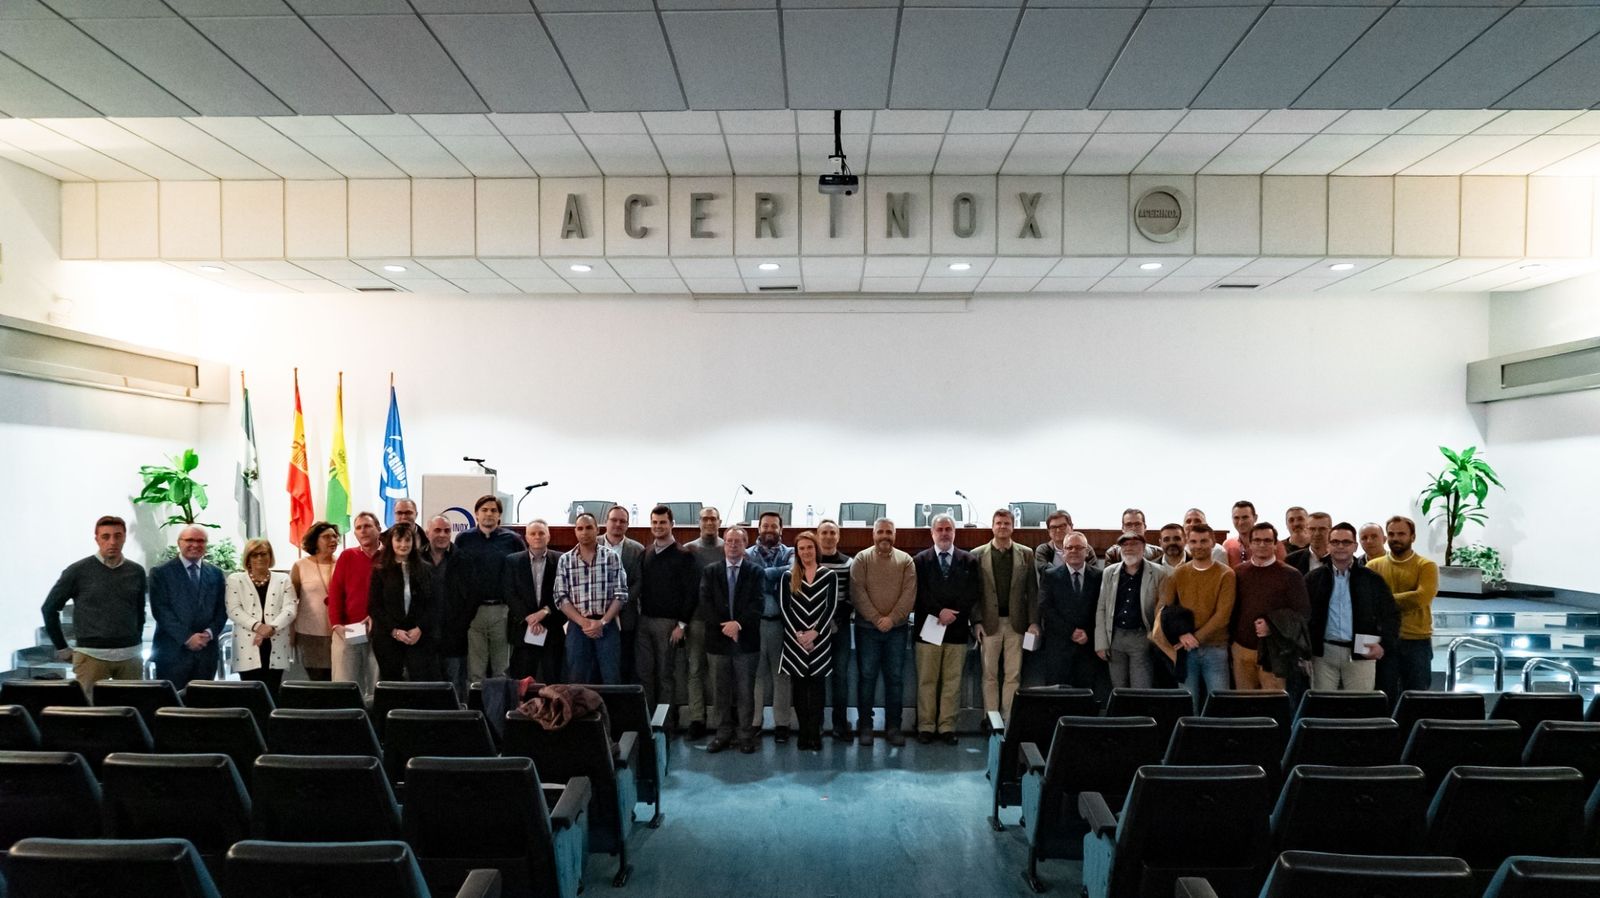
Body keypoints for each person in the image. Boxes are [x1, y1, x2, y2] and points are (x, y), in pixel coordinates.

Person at [42, 515, 147, 697]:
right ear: (96, 539)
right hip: (91, 656)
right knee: (91, 714)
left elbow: (139, 610)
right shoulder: (77, 571)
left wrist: (135, 637)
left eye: (117, 535)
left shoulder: (136, 571)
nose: (112, 542)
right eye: (106, 536)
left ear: (124, 537)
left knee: (133, 709)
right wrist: (62, 647)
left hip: (130, 655)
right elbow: (49, 608)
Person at [1307, 522, 1400, 692]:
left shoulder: (1371, 579)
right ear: (1328, 545)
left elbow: (1390, 615)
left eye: (1346, 542)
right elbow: (1304, 616)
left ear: (1355, 546)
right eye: (1335, 542)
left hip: (1361, 651)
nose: (1340, 546)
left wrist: (1384, 644)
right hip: (1323, 654)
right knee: (1322, 708)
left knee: (1360, 708)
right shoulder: (1313, 579)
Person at [912, 513, 979, 744]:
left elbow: (972, 593)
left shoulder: (969, 560)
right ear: (932, 533)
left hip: (957, 629)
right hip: (928, 628)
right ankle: (926, 726)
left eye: (948, 529)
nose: (944, 533)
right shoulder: (920, 560)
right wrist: (939, 611)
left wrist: (953, 613)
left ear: (954, 532)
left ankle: (947, 727)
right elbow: (918, 593)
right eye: (939, 529)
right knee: (927, 681)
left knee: (952, 681)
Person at [850, 517, 916, 747]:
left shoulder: (906, 560)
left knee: (895, 679)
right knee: (866, 677)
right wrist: (877, 619)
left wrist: (892, 619)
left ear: (894, 535)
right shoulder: (861, 559)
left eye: (889, 532)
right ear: (873, 535)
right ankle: (865, 725)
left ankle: (893, 727)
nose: (885, 536)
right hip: (867, 630)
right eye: (881, 532)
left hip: (896, 631)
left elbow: (909, 594)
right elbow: (857, 592)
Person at [972, 508, 1040, 723]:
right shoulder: (977, 554)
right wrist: (976, 621)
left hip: (1016, 624)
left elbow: (1033, 591)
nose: (1002, 527)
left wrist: (1033, 622)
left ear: (1013, 527)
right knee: (989, 675)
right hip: (989, 624)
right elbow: (973, 593)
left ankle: (1008, 720)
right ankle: (991, 719)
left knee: (1013, 675)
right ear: (992, 526)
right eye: (999, 523)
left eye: (1006, 523)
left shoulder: (1026, 553)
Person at [636, 505, 699, 733]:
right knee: (645, 675)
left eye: (662, 522)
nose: (658, 526)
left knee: (665, 676)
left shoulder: (684, 556)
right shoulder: (646, 552)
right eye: (654, 522)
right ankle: (647, 724)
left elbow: (692, 593)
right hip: (644, 622)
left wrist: (681, 625)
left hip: (669, 624)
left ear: (672, 524)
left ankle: (665, 725)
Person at [700, 526, 763, 754]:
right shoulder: (711, 571)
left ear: (746, 544)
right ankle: (723, 733)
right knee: (721, 691)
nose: (733, 545)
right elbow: (706, 603)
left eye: (738, 541)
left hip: (746, 641)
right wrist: (726, 626)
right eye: (729, 541)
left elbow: (758, 604)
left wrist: (738, 624)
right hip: (718, 641)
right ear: (723, 544)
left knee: (746, 692)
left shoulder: (756, 572)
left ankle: (746, 735)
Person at [1159, 523, 1235, 709]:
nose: (1198, 546)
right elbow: (1165, 608)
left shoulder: (1226, 574)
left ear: (1213, 542)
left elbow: (1223, 615)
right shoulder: (1178, 574)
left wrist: (1195, 638)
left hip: (1216, 649)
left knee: (1219, 706)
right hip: (1185, 651)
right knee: (1187, 705)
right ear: (1187, 543)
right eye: (1193, 541)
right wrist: (1181, 635)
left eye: (1203, 541)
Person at [452, 494, 525, 686]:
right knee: (475, 671)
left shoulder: (513, 539)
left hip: (502, 612)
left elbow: (522, 575)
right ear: (476, 514)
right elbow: (456, 575)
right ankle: (476, 713)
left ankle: (501, 713)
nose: (489, 514)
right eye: (484, 510)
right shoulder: (463, 539)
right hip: (473, 612)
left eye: (493, 510)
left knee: (502, 670)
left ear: (500, 515)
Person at [1230, 522, 1310, 691]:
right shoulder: (1237, 573)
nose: (1262, 545)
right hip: (1242, 650)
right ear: (1250, 544)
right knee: (1245, 706)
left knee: (1274, 705)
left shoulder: (1291, 575)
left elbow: (1303, 614)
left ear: (1275, 544)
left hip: (1275, 652)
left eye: (1267, 540)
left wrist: (1272, 625)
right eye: (1257, 540)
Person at [148, 526, 226, 690]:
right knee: (173, 709)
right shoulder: (160, 573)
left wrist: (208, 634)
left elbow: (222, 610)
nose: (195, 545)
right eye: (189, 540)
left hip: (206, 653)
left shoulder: (216, 573)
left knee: (203, 706)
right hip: (172, 653)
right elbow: (161, 611)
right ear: (179, 543)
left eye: (200, 541)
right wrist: (187, 638)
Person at [1368, 515, 1440, 695]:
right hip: (1383, 642)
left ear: (1412, 537)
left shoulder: (1426, 566)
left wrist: (1383, 601)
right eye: (1391, 534)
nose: (1396, 538)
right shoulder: (1372, 566)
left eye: (1401, 534)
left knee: (1417, 698)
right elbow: (1366, 601)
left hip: (1417, 642)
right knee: (1383, 696)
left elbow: (1422, 597)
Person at [555, 512, 629, 684]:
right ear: (575, 531)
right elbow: (560, 597)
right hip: (577, 626)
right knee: (577, 678)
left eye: (589, 528)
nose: (584, 532)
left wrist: (602, 622)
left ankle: (610, 711)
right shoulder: (565, 560)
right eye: (580, 528)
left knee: (611, 678)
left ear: (597, 530)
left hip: (607, 626)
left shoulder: (611, 557)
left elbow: (621, 593)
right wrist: (583, 622)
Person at [783, 531, 838, 751]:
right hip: (795, 643)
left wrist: (814, 633)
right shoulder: (788, 576)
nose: (806, 552)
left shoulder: (829, 575)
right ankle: (803, 732)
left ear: (816, 549)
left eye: (809, 547)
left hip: (820, 641)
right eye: (802, 548)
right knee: (799, 690)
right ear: (797, 552)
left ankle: (815, 733)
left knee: (816, 690)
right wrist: (799, 635)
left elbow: (830, 607)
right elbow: (785, 608)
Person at [1095, 531, 1169, 689]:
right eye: (1124, 545)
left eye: (1134, 544)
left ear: (1143, 548)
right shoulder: (1109, 572)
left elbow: (1162, 609)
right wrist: (1101, 643)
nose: (1129, 548)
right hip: (1115, 637)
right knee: (1118, 687)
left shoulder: (1159, 573)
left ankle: (1141, 714)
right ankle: (1122, 715)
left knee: (1141, 687)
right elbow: (1102, 608)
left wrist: (1154, 637)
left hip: (1142, 637)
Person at [368, 523, 441, 681]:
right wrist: (394, 630)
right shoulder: (380, 570)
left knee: (419, 684)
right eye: (399, 540)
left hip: (419, 636)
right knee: (392, 684)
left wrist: (420, 628)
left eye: (408, 540)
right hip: (388, 637)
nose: (403, 545)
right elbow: (375, 607)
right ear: (391, 542)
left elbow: (433, 604)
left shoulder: (426, 569)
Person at [1039, 532, 1108, 700]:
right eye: (1069, 547)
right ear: (1063, 552)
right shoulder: (1050, 576)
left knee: (1086, 698)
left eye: (1079, 547)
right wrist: (1070, 631)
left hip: (1088, 648)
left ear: (1087, 551)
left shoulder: (1099, 576)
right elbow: (1046, 608)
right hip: (1059, 647)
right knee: (1057, 699)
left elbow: (1103, 609)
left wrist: (1088, 633)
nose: (1074, 551)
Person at [226, 538, 298, 697]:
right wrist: (259, 627)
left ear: (270, 556)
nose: (259, 558)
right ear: (248, 558)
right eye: (254, 554)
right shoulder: (235, 579)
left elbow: (291, 608)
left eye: (264, 554)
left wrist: (271, 627)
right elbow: (233, 609)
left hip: (276, 642)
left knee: (273, 691)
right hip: (248, 644)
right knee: (250, 694)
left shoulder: (283, 579)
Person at [747, 511, 795, 742]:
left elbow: (793, 572)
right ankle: (755, 722)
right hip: (755, 625)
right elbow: (748, 580)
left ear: (781, 530)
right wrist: (775, 577)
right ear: (758, 529)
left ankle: (782, 724)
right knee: (757, 676)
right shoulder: (747, 554)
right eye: (765, 526)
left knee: (781, 675)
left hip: (780, 624)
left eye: (773, 526)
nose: (769, 530)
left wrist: (762, 575)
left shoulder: (791, 552)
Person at [327, 511, 382, 698]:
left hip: (379, 629)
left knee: (376, 684)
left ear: (379, 529)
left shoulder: (389, 556)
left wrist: (377, 616)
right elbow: (335, 592)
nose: (363, 531)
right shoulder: (347, 556)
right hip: (350, 629)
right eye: (358, 528)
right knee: (347, 683)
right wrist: (336, 624)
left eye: (368, 526)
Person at [503, 519, 563, 683]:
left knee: (552, 679)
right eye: (533, 533)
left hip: (551, 627)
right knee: (522, 681)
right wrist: (529, 617)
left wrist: (544, 612)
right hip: (523, 628)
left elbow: (564, 592)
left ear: (548, 537)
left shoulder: (561, 560)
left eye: (541, 533)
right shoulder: (512, 561)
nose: (537, 537)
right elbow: (509, 593)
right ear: (526, 538)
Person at [683, 506, 724, 740]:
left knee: (719, 673)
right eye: (705, 519)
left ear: (720, 522)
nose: (709, 522)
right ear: (698, 522)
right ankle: (697, 719)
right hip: (696, 620)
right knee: (695, 670)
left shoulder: (727, 548)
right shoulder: (689, 550)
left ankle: (721, 721)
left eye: (713, 519)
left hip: (720, 622)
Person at [816, 520, 855, 741]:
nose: (829, 536)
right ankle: (818, 723)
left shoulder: (848, 563)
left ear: (838, 537)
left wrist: (835, 620)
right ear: (818, 535)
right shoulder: (811, 561)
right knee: (818, 677)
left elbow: (851, 597)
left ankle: (840, 724)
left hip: (840, 628)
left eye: (832, 533)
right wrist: (820, 622)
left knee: (840, 677)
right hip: (815, 630)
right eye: (824, 533)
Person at [289, 521, 339, 681]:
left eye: (334, 536)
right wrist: (291, 634)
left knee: (337, 679)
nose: (333, 540)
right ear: (315, 541)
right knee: (317, 680)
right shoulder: (300, 566)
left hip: (338, 633)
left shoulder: (342, 563)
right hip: (309, 634)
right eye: (326, 537)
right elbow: (291, 601)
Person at [419, 515, 464, 696]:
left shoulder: (462, 558)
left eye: (447, 530)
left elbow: (469, 597)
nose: (443, 535)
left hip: (453, 634)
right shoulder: (416, 558)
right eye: (437, 530)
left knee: (454, 685)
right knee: (426, 687)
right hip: (424, 635)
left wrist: (461, 623)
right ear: (428, 532)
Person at [601, 505, 645, 683]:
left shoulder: (638, 549)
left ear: (627, 525)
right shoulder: (591, 543)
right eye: (614, 520)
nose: (618, 524)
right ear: (606, 522)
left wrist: (618, 604)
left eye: (622, 521)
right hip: (597, 616)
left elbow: (639, 583)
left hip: (626, 617)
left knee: (624, 664)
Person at [1222, 501, 1287, 567]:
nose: (1241, 522)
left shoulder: (1273, 545)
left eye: (1245, 517)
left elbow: (1283, 571)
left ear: (1255, 518)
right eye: (1236, 518)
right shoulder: (1228, 545)